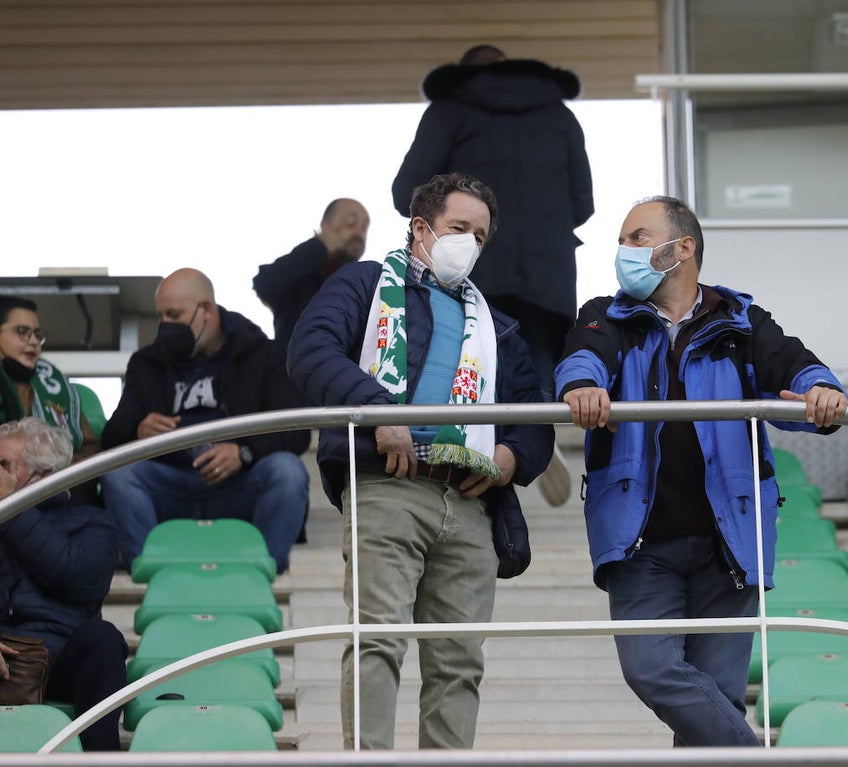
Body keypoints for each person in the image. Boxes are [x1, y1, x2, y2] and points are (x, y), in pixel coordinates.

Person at [555, 196, 848, 747]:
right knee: (650, 670)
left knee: (716, 701)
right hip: (641, 546)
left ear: (682, 248)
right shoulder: (606, 315)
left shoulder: (741, 322)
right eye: (623, 241)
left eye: (637, 238)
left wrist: (824, 392)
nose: (624, 251)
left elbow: (798, 367)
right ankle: (756, 757)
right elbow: (582, 359)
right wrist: (582, 388)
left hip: (728, 543)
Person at [288, 172, 553, 750]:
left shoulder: (498, 326)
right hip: (387, 485)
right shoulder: (362, 284)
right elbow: (310, 352)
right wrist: (380, 411)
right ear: (421, 227)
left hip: (471, 501)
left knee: (459, 662)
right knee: (377, 640)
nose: (470, 244)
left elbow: (532, 415)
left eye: (480, 236)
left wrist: (509, 457)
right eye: (459, 228)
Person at [391, 44, 594, 402]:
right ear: (509, 64)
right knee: (536, 399)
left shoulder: (448, 112)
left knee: (464, 392)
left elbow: (406, 193)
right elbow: (583, 204)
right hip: (547, 284)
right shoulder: (559, 116)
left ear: (464, 71)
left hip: (465, 275)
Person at [100, 268, 310, 574]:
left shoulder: (263, 354)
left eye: (174, 315)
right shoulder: (148, 363)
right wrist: (138, 429)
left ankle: (264, 573)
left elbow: (295, 431)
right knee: (119, 475)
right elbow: (112, 437)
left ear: (207, 311)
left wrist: (243, 452)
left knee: (287, 472)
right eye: (161, 317)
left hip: (239, 487)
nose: (165, 326)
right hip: (169, 487)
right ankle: (147, 575)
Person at [0, 417, 128, 751]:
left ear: (43, 474)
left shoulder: (93, 522)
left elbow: (72, 574)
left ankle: (100, 759)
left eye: (3, 465)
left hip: (57, 655)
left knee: (104, 640)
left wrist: (11, 507)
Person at [253, 198, 371, 349]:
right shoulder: (301, 276)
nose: (358, 233)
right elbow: (266, 284)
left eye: (364, 227)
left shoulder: (365, 285)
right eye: (350, 222)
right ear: (325, 225)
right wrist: (320, 246)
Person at [0, 297, 100, 461]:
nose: (34, 342)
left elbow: (90, 447)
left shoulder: (53, 380)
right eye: (22, 332)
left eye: (37, 334)